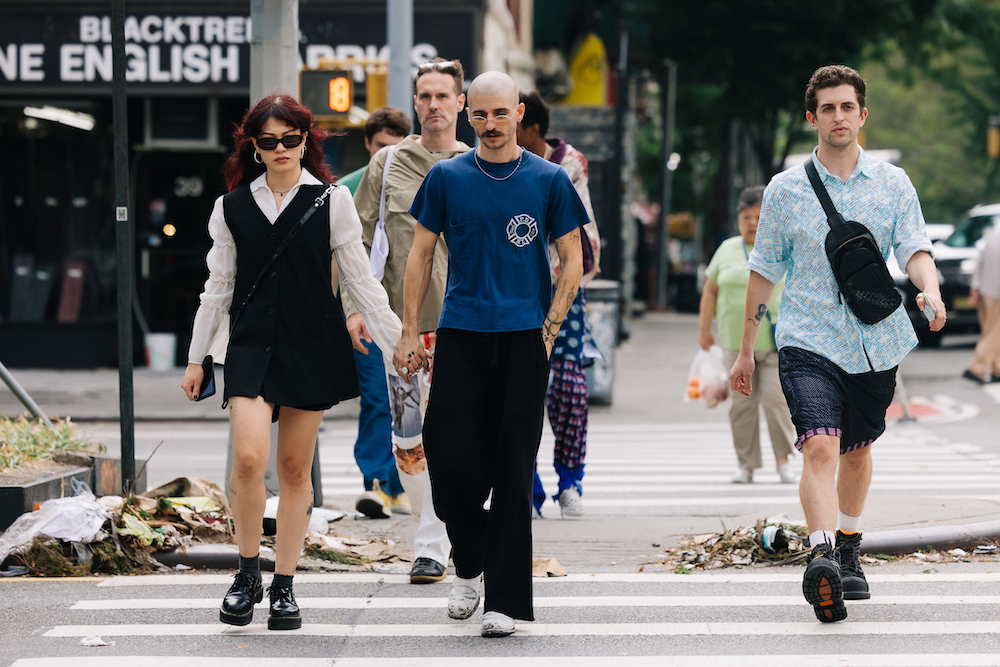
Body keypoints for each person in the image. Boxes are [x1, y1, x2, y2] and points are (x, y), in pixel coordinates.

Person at [729, 65, 946, 623]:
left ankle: (850, 547)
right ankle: (822, 556)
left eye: (847, 106)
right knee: (821, 445)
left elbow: (914, 247)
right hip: (806, 340)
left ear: (862, 114)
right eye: (827, 108)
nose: (838, 116)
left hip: (874, 341)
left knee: (856, 450)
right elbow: (763, 268)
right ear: (812, 118)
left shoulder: (893, 183)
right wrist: (746, 346)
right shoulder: (786, 190)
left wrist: (930, 290)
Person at [181, 94, 402, 630]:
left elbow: (361, 283)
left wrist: (399, 349)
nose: (281, 148)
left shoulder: (332, 201)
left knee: (294, 469)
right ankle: (246, 572)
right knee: (250, 461)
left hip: (310, 343)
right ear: (253, 147)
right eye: (268, 140)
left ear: (307, 140)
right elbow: (218, 288)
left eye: (291, 138)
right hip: (250, 345)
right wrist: (197, 358)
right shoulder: (230, 206)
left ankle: (284, 585)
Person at [395, 71, 586, 637]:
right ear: (466, 115)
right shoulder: (447, 177)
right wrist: (410, 330)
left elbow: (571, 258)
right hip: (460, 334)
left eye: (501, 113)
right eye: (480, 114)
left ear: (519, 112)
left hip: (525, 338)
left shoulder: (549, 179)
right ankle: (469, 565)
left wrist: (549, 330)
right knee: (450, 465)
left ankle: (504, 601)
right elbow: (419, 255)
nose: (491, 124)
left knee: (511, 468)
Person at [340, 58, 471, 584]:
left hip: (468, 329)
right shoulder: (388, 164)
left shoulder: (482, 162)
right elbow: (352, 238)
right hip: (402, 330)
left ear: (460, 103)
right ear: (415, 102)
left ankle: (441, 541)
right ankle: (429, 529)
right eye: (425, 96)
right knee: (408, 440)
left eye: (443, 96)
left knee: (462, 437)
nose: (434, 105)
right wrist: (354, 308)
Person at [516, 90, 601, 518]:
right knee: (519, 391)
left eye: (512, 123)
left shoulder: (567, 164)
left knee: (567, 387)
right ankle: (525, 486)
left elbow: (567, 227)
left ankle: (570, 480)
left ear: (530, 127)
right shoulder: (493, 165)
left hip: (564, 290)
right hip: (515, 293)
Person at [335, 106, 412, 520]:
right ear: (368, 144)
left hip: (407, 311)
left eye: (397, 147)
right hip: (365, 309)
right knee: (377, 399)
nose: (388, 154)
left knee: (410, 399)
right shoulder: (347, 190)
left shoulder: (418, 182)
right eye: (382, 146)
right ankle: (377, 483)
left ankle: (403, 484)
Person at [699, 186, 797, 485]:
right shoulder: (727, 249)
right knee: (741, 407)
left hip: (775, 342)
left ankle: (784, 461)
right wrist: (704, 330)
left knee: (775, 402)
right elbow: (710, 290)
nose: (752, 223)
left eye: (758, 216)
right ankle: (747, 465)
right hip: (733, 343)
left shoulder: (783, 246)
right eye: (745, 217)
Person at [964, 223, 1000, 383]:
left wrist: (975, 287)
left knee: (989, 332)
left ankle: (997, 369)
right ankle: (976, 368)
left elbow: (980, 261)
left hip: (986, 291)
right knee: (994, 334)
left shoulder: (993, 235)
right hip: (997, 293)